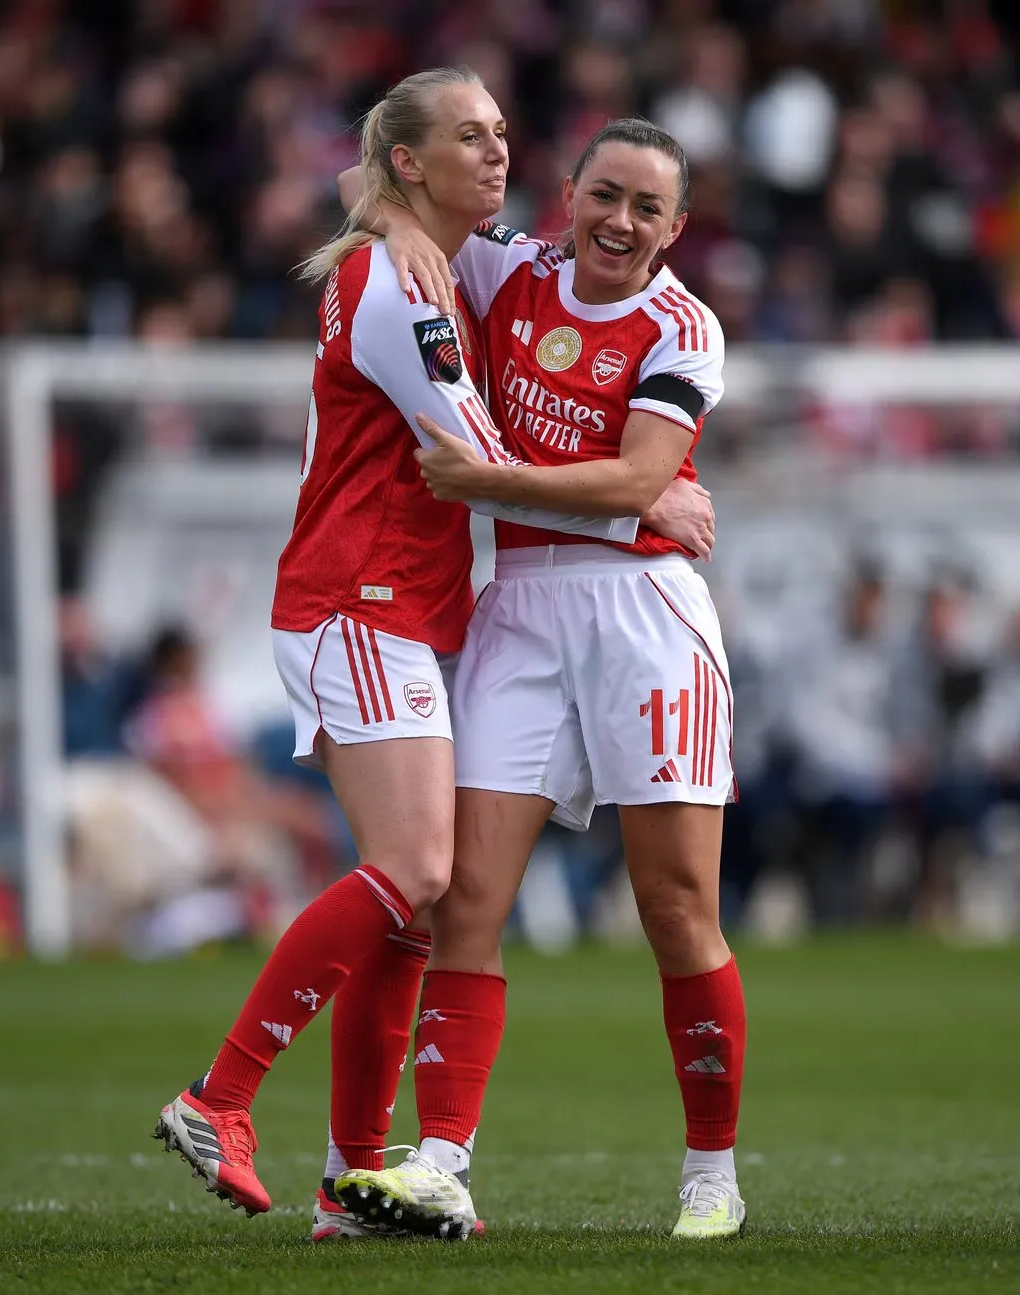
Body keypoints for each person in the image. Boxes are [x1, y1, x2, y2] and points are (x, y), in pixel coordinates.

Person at [152, 70, 715, 1228]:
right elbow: (470, 461)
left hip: (415, 605)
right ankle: (220, 1093)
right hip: (361, 598)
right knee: (418, 870)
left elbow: (362, 170)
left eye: (504, 133)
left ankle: (352, 1178)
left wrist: (399, 210)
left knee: (418, 905)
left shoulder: (436, 258)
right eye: (471, 137)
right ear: (416, 160)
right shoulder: (401, 291)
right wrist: (640, 507)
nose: (497, 154)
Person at [332, 116, 747, 1242]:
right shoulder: (505, 262)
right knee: (467, 895)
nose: (618, 220)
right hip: (516, 607)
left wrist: (493, 475)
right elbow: (377, 191)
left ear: (676, 227)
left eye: (645, 207)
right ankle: (443, 1164)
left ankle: (710, 1171)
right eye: (603, 193)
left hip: (645, 617)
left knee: (673, 905)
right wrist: (380, 214)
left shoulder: (684, 325)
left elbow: (642, 481)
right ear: (568, 192)